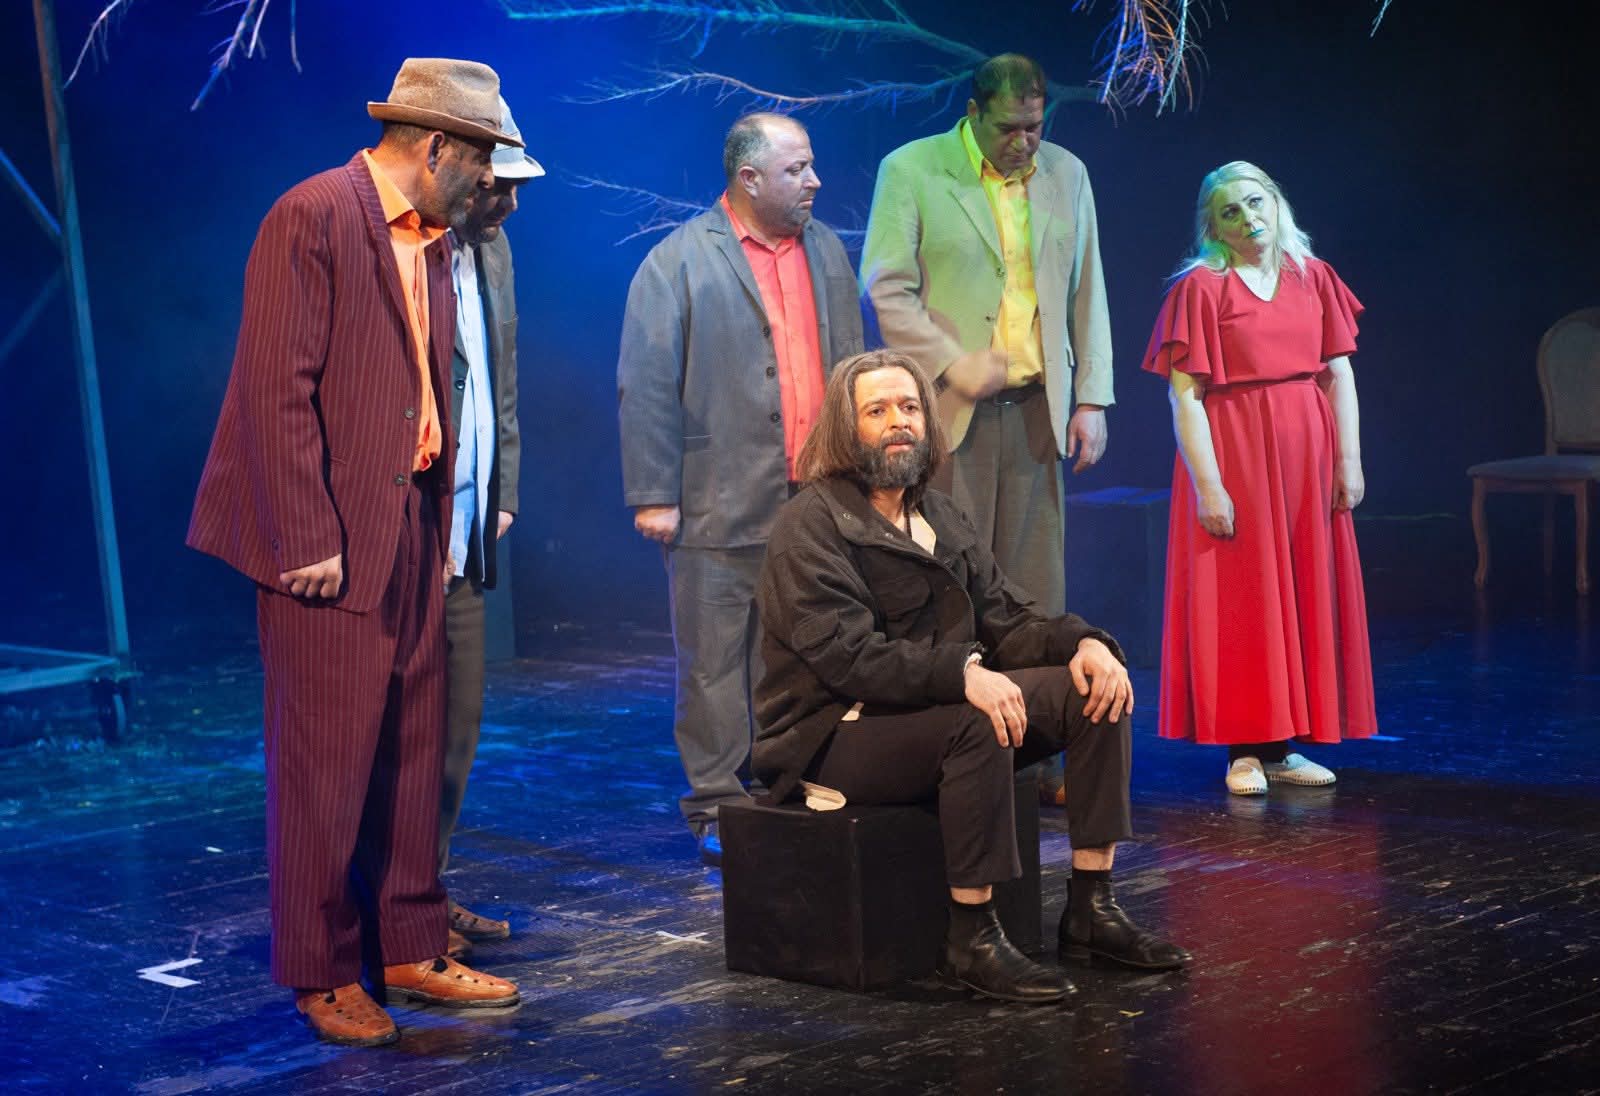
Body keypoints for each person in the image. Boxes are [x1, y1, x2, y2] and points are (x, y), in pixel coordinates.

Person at [187, 59, 521, 1047]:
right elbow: (274, 390)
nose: (490, 181)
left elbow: (425, 388)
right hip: (325, 535)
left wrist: (447, 516)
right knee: (325, 765)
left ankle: (411, 943)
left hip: (411, 517)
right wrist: (306, 537)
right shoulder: (314, 214)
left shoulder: (432, 239)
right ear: (436, 146)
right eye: (483, 159)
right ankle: (323, 970)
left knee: (413, 742)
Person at [753, 349, 1189, 1005]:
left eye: (909, 407)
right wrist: (963, 673)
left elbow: (1008, 618)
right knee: (976, 720)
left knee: (1094, 693)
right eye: (877, 411)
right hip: (832, 732)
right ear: (846, 428)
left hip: (922, 709)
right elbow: (848, 657)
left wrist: (1085, 643)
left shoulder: (938, 514)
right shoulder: (809, 525)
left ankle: (1091, 909)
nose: (899, 422)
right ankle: (972, 936)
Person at [861, 53, 1114, 807]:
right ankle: (953, 749)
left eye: (1035, 127)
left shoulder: (1068, 174)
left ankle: (1035, 757)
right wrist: (950, 362)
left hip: (1037, 407)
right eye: (1009, 128)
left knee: (1034, 588)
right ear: (973, 113)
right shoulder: (912, 169)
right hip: (949, 411)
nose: (1024, 142)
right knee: (949, 584)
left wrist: (1092, 398)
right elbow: (887, 287)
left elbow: (1088, 289)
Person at [618, 113, 863, 865]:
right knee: (715, 663)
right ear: (748, 178)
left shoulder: (825, 249)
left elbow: (852, 365)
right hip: (717, 497)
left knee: (805, 653)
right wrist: (653, 493)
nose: (815, 181)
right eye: (797, 169)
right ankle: (718, 806)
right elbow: (645, 383)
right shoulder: (678, 260)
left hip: (816, 498)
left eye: (811, 166)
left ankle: (788, 783)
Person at [1140, 161, 1378, 796]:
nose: (1248, 220)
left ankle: (1282, 745)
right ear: (1213, 227)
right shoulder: (1202, 288)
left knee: (1297, 591)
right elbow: (1185, 398)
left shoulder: (1314, 276)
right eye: (1231, 212)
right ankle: (1243, 749)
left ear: (1276, 203)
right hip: (1238, 452)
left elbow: (1339, 375)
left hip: (1307, 455)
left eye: (1255, 203)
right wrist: (1209, 485)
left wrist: (1349, 460)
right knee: (1245, 595)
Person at [437, 97, 542, 955]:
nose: (507, 202)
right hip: (406, 525)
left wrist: (502, 481)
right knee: (401, 738)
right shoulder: (407, 247)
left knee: (457, 730)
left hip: (470, 529)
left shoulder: (494, 248)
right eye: (495, 185)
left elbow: (501, 369)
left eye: (516, 187)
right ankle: (388, 910)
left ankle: (421, 890)